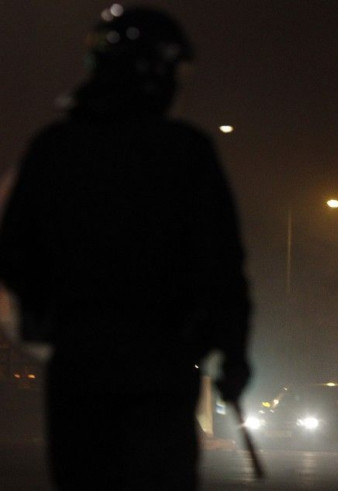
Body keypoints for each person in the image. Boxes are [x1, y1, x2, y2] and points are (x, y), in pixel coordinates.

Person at [0, 5, 251, 489]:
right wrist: (233, 355)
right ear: (158, 70)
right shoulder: (184, 152)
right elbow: (223, 268)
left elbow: (13, 252)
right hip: (161, 367)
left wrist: (54, 316)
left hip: (79, 368)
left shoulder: (55, 148)